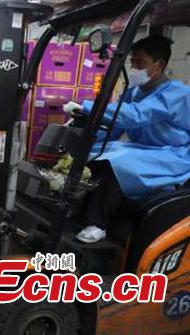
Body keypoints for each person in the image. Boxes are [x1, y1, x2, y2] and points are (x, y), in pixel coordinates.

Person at [63, 35, 190, 243]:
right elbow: (116, 124)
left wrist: (87, 107)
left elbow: (135, 115)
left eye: (140, 62)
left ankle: (98, 224)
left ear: (159, 64)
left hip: (174, 155)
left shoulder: (177, 93)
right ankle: (75, 210)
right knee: (98, 152)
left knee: (118, 161)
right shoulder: (134, 91)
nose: (134, 67)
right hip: (145, 149)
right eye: (132, 61)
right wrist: (90, 138)